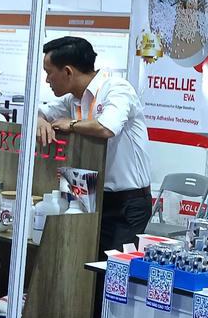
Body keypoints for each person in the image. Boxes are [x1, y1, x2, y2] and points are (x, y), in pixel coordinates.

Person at [36, 36, 151, 252]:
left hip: (126, 203)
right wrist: (40, 121)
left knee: (112, 268)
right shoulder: (73, 98)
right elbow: (39, 111)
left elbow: (107, 127)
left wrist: (72, 124)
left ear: (68, 72)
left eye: (49, 72)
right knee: (85, 264)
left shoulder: (117, 89)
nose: (47, 80)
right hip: (89, 197)